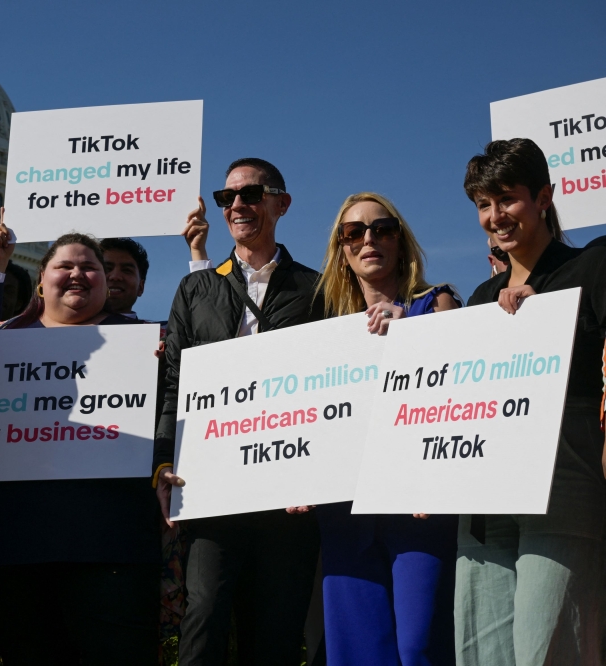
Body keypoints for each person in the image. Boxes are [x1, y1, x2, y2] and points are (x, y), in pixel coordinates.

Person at [0, 233, 160, 665]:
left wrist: (168, 366)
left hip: (112, 544)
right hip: (11, 546)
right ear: (41, 281)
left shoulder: (147, 342)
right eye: (65, 266)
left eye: (89, 267)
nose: (78, 274)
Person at [155, 158, 324, 665]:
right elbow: (174, 382)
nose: (238, 206)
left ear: (282, 203)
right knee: (203, 615)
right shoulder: (195, 289)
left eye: (251, 194)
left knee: (274, 629)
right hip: (212, 488)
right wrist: (164, 463)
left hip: (288, 490)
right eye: (228, 198)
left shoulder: (317, 289)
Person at [456, 138, 606, 665]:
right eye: (482, 204)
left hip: (562, 483)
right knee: (482, 653)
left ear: (544, 197)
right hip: (483, 497)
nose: (495, 216)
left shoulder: (593, 266)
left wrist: (546, 319)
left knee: (551, 649)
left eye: (507, 199)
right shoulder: (477, 300)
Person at [312, 192, 460, 666]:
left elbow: (463, 389)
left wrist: (415, 333)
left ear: (401, 240)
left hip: (419, 510)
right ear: (341, 249)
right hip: (345, 518)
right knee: (357, 655)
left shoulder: (437, 305)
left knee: (421, 648)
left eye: (382, 228)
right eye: (353, 232)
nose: (368, 239)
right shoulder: (324, 332)